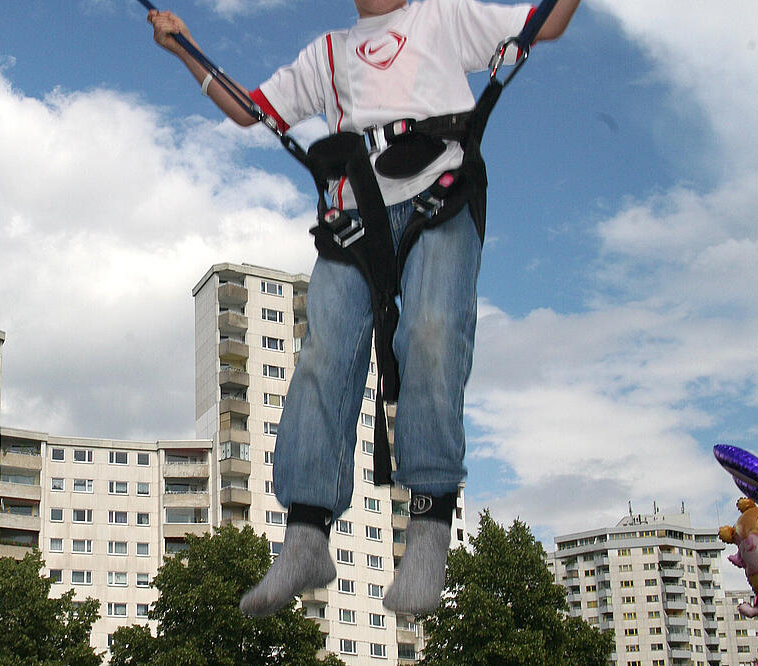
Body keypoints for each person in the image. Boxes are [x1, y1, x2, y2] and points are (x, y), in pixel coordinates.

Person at [150, 0, 580, 616]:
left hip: (442, 194)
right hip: (357, 212)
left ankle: (428, 534)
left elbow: (548, 22)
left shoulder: (442, 18)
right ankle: (305, 537)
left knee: (431, 333)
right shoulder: (328, 53)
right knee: (325, 354)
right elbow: (252, 111)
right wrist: (184, 49)